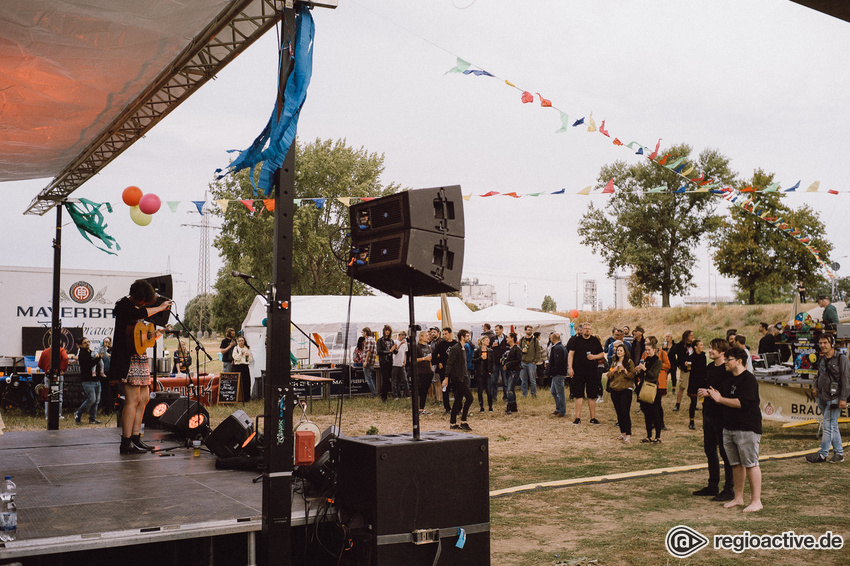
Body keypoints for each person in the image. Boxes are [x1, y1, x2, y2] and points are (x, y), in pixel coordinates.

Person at [110, 280, 172, 454]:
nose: (143, 304)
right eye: (142, 300)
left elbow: (143, 335)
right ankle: (126, 441)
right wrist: (161, 307)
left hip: (140, 357)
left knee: (144, 398)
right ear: (138, 297)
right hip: (128, 359)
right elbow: (141, 312)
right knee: (132, 400)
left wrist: (158, 333)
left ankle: (136, 437)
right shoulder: (124, 306)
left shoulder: (136, 309)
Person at [707, 347, 763, 512]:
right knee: (736, 464)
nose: (725, 362)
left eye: (728, 359)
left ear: (738, 361)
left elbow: (742, 403)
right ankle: (738, 497)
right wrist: (716, 395)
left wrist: (721, 399)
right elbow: (724, 400)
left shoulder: (748, 379)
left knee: (751, 463)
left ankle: (756, 501)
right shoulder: (729, 380)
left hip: (746, 428)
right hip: (729, 427)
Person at [695, 339, 735, 500]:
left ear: (722, 352)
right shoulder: (710, 368)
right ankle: (713, 485)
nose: (709, 350)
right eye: (710, 348)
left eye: (713, 348)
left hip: (722, 416)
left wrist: (709, 393)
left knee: (725, 453)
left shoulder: (727, 370)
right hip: (708, 414)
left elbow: (726, 392)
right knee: (709, 450)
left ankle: (729, 488)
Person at [805, 334, 849, 463]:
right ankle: (839, 453)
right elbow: (819, 375)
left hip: (835, 398)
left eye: (825, 343)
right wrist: (815, 387)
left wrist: (843, 398)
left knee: (828, 426)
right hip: (823, 397)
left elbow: (846, 380)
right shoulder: (822, 359)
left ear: (832, 344)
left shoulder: (842, 359)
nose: (822, 345)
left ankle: (822, 454)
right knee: (832, 425)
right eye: (821, 343)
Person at [567, 322, 604, 425]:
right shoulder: (576, 340)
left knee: (592, 395)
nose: (587, 330)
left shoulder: (595, 340)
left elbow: (601, 354)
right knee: (578, 395)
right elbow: (571, 354)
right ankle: (577, 418)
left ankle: (593, 418)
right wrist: (570, 368)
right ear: (581, 330)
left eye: (589, 328)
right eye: (585, 328)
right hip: (578, 371)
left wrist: (594, 357)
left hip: (592, 371)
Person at [636, 337, 663, 443]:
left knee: (655, 413)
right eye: (646, 350)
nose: (647, 352)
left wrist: (645, 369)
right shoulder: (646, 360)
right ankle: (648, 435)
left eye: (649, 350)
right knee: (646, 413)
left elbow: (654, 376)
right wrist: (639, 371)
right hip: (644, 388)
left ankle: (658, 436)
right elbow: (644, 375)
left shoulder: (658, 362)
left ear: (655, 350)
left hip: (652, 389)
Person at [607, 343, 635, 443]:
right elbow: (609, 375)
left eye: (621, 350)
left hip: (626, 389)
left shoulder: (629, 362)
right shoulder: (614, 362)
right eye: (617, 350)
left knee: (625, 412)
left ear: (624, 352)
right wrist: (614, 370)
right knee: (618, 412)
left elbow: (633, 375)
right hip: (615, 389)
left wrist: (625, 370)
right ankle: (622, 433)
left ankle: (628, 434)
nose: (619, 352)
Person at [446, 329, 474, 430]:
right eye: (467, 336)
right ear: (462, 337)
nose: (468, 338)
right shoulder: (455, 349)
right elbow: (449, 363)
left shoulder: (464, 349)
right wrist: (446, 377)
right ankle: (463, 421)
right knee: (469, 398)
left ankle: (453, 423)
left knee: (458, 400)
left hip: (463, 377)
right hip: (458, 378)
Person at [73, 337, 101, 425]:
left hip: (96, 379)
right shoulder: (82, 354)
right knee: (91, 399)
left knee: (96, 401)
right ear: (80, 345)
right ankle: (78, 413)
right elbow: (90, 364)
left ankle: (92, 418)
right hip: (88, 380)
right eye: (85, 343)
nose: (88, 343)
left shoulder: (91, 352)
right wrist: (98, 358)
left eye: (88, 342)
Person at [38, 345, 69, 418]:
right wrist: (63, 369)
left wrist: (46, 368)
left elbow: (40, 365)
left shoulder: (45, 351)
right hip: (58, 375)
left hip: (48, 375)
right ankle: (58, 414)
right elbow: (65, 358)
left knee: (47, 395)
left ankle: (47, 415)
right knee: (58, 394)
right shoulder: (61, 350)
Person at [433, 328, 457, 414]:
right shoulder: (441, 344)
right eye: (443, 334)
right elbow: (434, 355)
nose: (444, 336)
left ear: (450, 334)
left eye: (446, 334)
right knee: (445, 389)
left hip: (454, 370)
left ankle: (457, 408)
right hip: (444, 370)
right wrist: (438, 362)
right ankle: (447, 408)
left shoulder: (455, 344)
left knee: (456, 389)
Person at [686, 339, 707, 430]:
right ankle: (691, 421)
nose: (702, 346)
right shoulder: (691, 357)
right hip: (694, 381)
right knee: (693, 402)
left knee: (704, 403)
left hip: (702, 381)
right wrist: (686, 365)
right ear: (695, 346)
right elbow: (688, 369)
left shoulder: (703, 356)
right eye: (701, 345)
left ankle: (705, 421)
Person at [546, 333, 568, 418]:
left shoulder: (558, 348)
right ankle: (558, 408)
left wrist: (551, 371)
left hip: (558, 373)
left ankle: (562, 410)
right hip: (557, 373)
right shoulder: (560, 347)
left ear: (552, 338)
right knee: (554, 391)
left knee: (560, 392)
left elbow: (558, 362)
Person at [673, 330, 694, 411]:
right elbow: (671, 354)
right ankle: (677, 404)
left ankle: (693, 404)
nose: (692, 336)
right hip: (685, 369)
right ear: (686, 336)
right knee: (682, 387)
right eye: (691, 335)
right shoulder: (680, 345)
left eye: (693, 335)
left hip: (693, 369)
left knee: (693, 387)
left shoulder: (693, 344)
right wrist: (679, 364)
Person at [473, 335, 494, 413]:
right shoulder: (477, 351)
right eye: (486, 340)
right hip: (479, 373)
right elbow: (473, 361)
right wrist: (480, 358)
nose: (488, 342)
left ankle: (490, 406)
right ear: (482, 342)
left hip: (487, 373)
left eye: (488, 340)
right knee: (480, 390)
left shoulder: (490, 351)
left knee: (489, 390)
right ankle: (481, 407)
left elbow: (492, 362)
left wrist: (491, 371)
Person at [414, 331, 434, 415]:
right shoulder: (417, 347)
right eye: (426, 335)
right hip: (420, 372)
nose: (428, 337)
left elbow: (429, 359)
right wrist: (424, 358)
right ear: (421, 337)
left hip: (428, 372)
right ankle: (418, 409)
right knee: (420, 391)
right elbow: (413, 360)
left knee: (425, 391)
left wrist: (431, 369)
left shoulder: (428, 347)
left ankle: (422, 409)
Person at [502, 332, 522, 414]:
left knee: (509, 389)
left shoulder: (517, 349)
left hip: (514, 371)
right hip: (509, 371)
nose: (506, 339)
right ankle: (514, 406)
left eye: (508, 337)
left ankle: (509, 407)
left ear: (512, 338)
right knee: (511, 389)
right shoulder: (509, 348)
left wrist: (508, 364)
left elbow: (518, 360)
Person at [376, 325, 396, 403]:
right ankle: (384, 397)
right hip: (383, 362)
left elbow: (395, 352)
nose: (387, 332)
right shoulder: (380, 341)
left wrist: (396, 348)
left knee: (388, 379)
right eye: (386, 330)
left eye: (389, 330)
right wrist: (390, 351)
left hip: (390, 362)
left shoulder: (391, 341)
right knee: (385, 379)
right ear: (384, 331)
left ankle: (385, 395)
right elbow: (379, 351)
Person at [489, 324, 510, 401]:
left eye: (497, 330)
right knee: (494, 380)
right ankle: (494, 397)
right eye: (495, 330)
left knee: (505, 380)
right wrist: (492, 346)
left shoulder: (506, 338)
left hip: (504, 361)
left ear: (502, 329)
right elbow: (489, 349)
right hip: (495, 361)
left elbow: (509, 349)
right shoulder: (492, 338)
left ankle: (505, 396)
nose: (496, 331)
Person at [518, 325, 539, 398]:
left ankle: (533, 394)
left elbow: (538, 351)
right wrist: (521, 351)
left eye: (531, 330)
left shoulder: (535, 340)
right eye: (528, 330)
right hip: (523, 362)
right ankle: (524, 394)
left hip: (531, 362)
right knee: (523, 380)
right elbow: (518, 350)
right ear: (525, 331)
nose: (530, 331)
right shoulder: (521, 340)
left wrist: (535, 360)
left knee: (532, 380)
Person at [96, 337, 115, 414]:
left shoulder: (112, 351)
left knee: (111, 391)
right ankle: (105, 408)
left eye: (109, 342)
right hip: (103, 373)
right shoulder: (102, 350)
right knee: (104, 391)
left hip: (111, 373)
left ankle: (111, 408)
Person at [391, 331, 410, 400]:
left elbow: (405, 353)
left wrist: (404, 361)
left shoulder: (405, 344)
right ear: (399, 335)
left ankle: (407, 394)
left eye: (404, 336)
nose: (403, 337)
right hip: (395, 363)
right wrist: (400, 344)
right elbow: (395, 351)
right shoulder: (395, 342)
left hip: (401, 364)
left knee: (405, 379)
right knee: (394, 380)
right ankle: (395, 395)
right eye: (402, 335)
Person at [232, 336, 252, 402]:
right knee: (238, 382)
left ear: (244, 341)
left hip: (245, 366)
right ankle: (237, 397)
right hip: (238, 366)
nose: (241, 342)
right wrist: (241, 354)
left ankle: (246, 398)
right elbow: (235, 358)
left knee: (246, 382)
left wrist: (248, 356)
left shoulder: (247, 348)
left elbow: (251, 359)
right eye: (239, 341)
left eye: (242, 340)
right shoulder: (236, 348)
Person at [361, 328, 377, 396]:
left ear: (365, 332)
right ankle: (374, 392)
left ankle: (373, 393)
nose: (362, 333)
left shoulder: (368, 340)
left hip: (368, 362)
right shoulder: (373, 339)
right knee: (370, 377)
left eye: (362, 332)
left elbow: (369, 351)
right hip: (372, 361)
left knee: (368, 378)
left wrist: (365, 361)